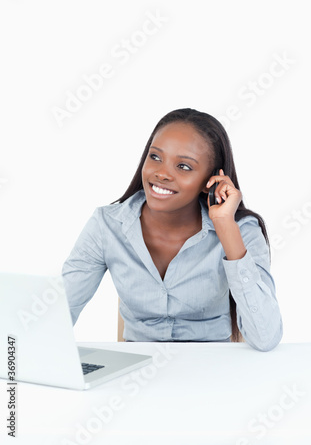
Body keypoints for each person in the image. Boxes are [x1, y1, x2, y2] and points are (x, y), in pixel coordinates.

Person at [62, 108, 283, 351]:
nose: (162, 174)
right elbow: (60, 312)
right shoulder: (107, 225)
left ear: (210, 181)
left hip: (215, 368)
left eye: (184, 166)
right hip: (136, 371)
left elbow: (266, 338)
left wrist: (226, 228)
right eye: (155, 157)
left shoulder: (242, 230)